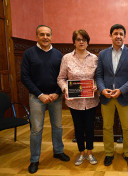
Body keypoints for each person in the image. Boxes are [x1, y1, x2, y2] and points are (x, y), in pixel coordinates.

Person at [21, 25, 70, 174]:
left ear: (51, 36)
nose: (45, 37)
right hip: (36, 97)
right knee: (36, 130)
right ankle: (34, 159)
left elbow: (63, 76)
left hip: (55, 97)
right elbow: (25, 77)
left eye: (48, 35)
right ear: (36, 36)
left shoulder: (58, 55)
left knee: (58, 126)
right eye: (42, 34)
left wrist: (56, 93)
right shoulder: (29, 53)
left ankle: (58, 151)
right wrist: (40, 94)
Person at [95, 24, 128, 166]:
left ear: (124, 36)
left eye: (121, 34)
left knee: (126, 127)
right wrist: (102, 90)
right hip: (106, 97)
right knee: (107, 127)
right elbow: (99, 75)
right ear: (111, 36)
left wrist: (121, 90)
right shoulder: (102, 54)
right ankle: (109, 153)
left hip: (124, 96)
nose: (118, 36)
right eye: (115, 33)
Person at [57, 29, 99, 166]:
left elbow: (99, 77)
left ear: (88, 42)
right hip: (74, 102)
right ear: (74, 42)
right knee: (78, 128)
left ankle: (90, 153)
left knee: (90, 128)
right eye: (78, 39)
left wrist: (96, 85)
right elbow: (61, 78)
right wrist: (65, 88)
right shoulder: (66, 58)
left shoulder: (94, 58)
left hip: (91, 101)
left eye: (84, 40)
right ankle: (81, 153)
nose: (81, 42)